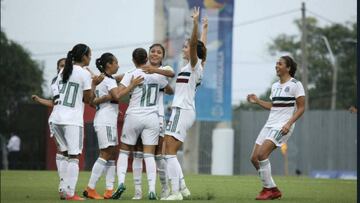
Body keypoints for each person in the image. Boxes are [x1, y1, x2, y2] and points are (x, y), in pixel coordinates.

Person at [83, 53, 143, 199]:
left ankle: (109, 189)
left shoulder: (103, 79)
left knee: (111, 154)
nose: (118, 65)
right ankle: (90, 188)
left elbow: (99, 100)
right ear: (109, 64)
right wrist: (132, 85)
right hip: (106, 120)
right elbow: (116, 96)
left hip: (106, 118)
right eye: (116, 62)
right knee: (106, 153)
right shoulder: (108, 80)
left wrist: (115, 107)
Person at [162, 7, 207, 201]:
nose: (183, 48)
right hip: (182, 111)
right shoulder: (193, 66)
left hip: (183, 110)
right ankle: (183, 187)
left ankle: (175, 193)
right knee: (167, 149)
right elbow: (201, 46)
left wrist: (195, 24)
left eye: (186, 46)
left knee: (169, 152)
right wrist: (204, 29)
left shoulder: (194, 65)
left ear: (194, 51)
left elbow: (198, 46)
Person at [112, 48, 168, 200]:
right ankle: (151, 189)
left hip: (134, 117)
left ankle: (122, 183)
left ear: (133, 60)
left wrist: (131, 85)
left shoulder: (131, 74)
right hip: (152, 118)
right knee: (149, 155)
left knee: (124, 153)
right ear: (147, 58)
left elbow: (117, 94)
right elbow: (169, 87)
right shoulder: (159, 75)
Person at [247, 56, 305, 200]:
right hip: (269, 124)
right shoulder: (275, 86)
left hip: (282, 126)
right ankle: (272, 188)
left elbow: (302, 108)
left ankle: (268, 189)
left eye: (280, 64)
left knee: (261, 155)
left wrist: (289, 123)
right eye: (276, 64)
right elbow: (274, 106)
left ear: (288, 68)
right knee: (254, 158)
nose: (276, 66)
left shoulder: (295, 84)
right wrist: (258, 101)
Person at [51, 43, 104, 201]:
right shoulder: (84, 73)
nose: (91, 58)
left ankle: (63, 188)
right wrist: (95, 83)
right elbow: (88, 100)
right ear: (84, 56)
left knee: (65, 154)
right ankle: (70, 193)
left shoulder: (63, 70)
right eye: (90, 55)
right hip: (72, 120)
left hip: (56, 118)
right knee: (74, 157)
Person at [131, 43, 175, 200]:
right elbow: (127, 76)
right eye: (153, 51)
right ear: (148, 54)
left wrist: (155, 73)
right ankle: (138, 190)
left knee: (157, 156)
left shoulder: (164, 70)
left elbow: (171, 74)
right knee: (137, 153)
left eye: (159, 52)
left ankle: (164, 187)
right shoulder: (141, 70)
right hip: (138, 117)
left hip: (157, 117)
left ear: (163, 56)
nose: (155, 54)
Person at [32, 58, 69, 199]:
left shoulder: (74, 79)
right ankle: (63, 184)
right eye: (61, 65)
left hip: (71, 120)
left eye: (66, 65)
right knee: (63, 151)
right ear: (57, 67)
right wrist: (39, 99)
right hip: (57, 119)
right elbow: (54, 103)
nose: (63, 68)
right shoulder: (55, 81)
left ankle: (66, 185)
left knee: (71, 153)